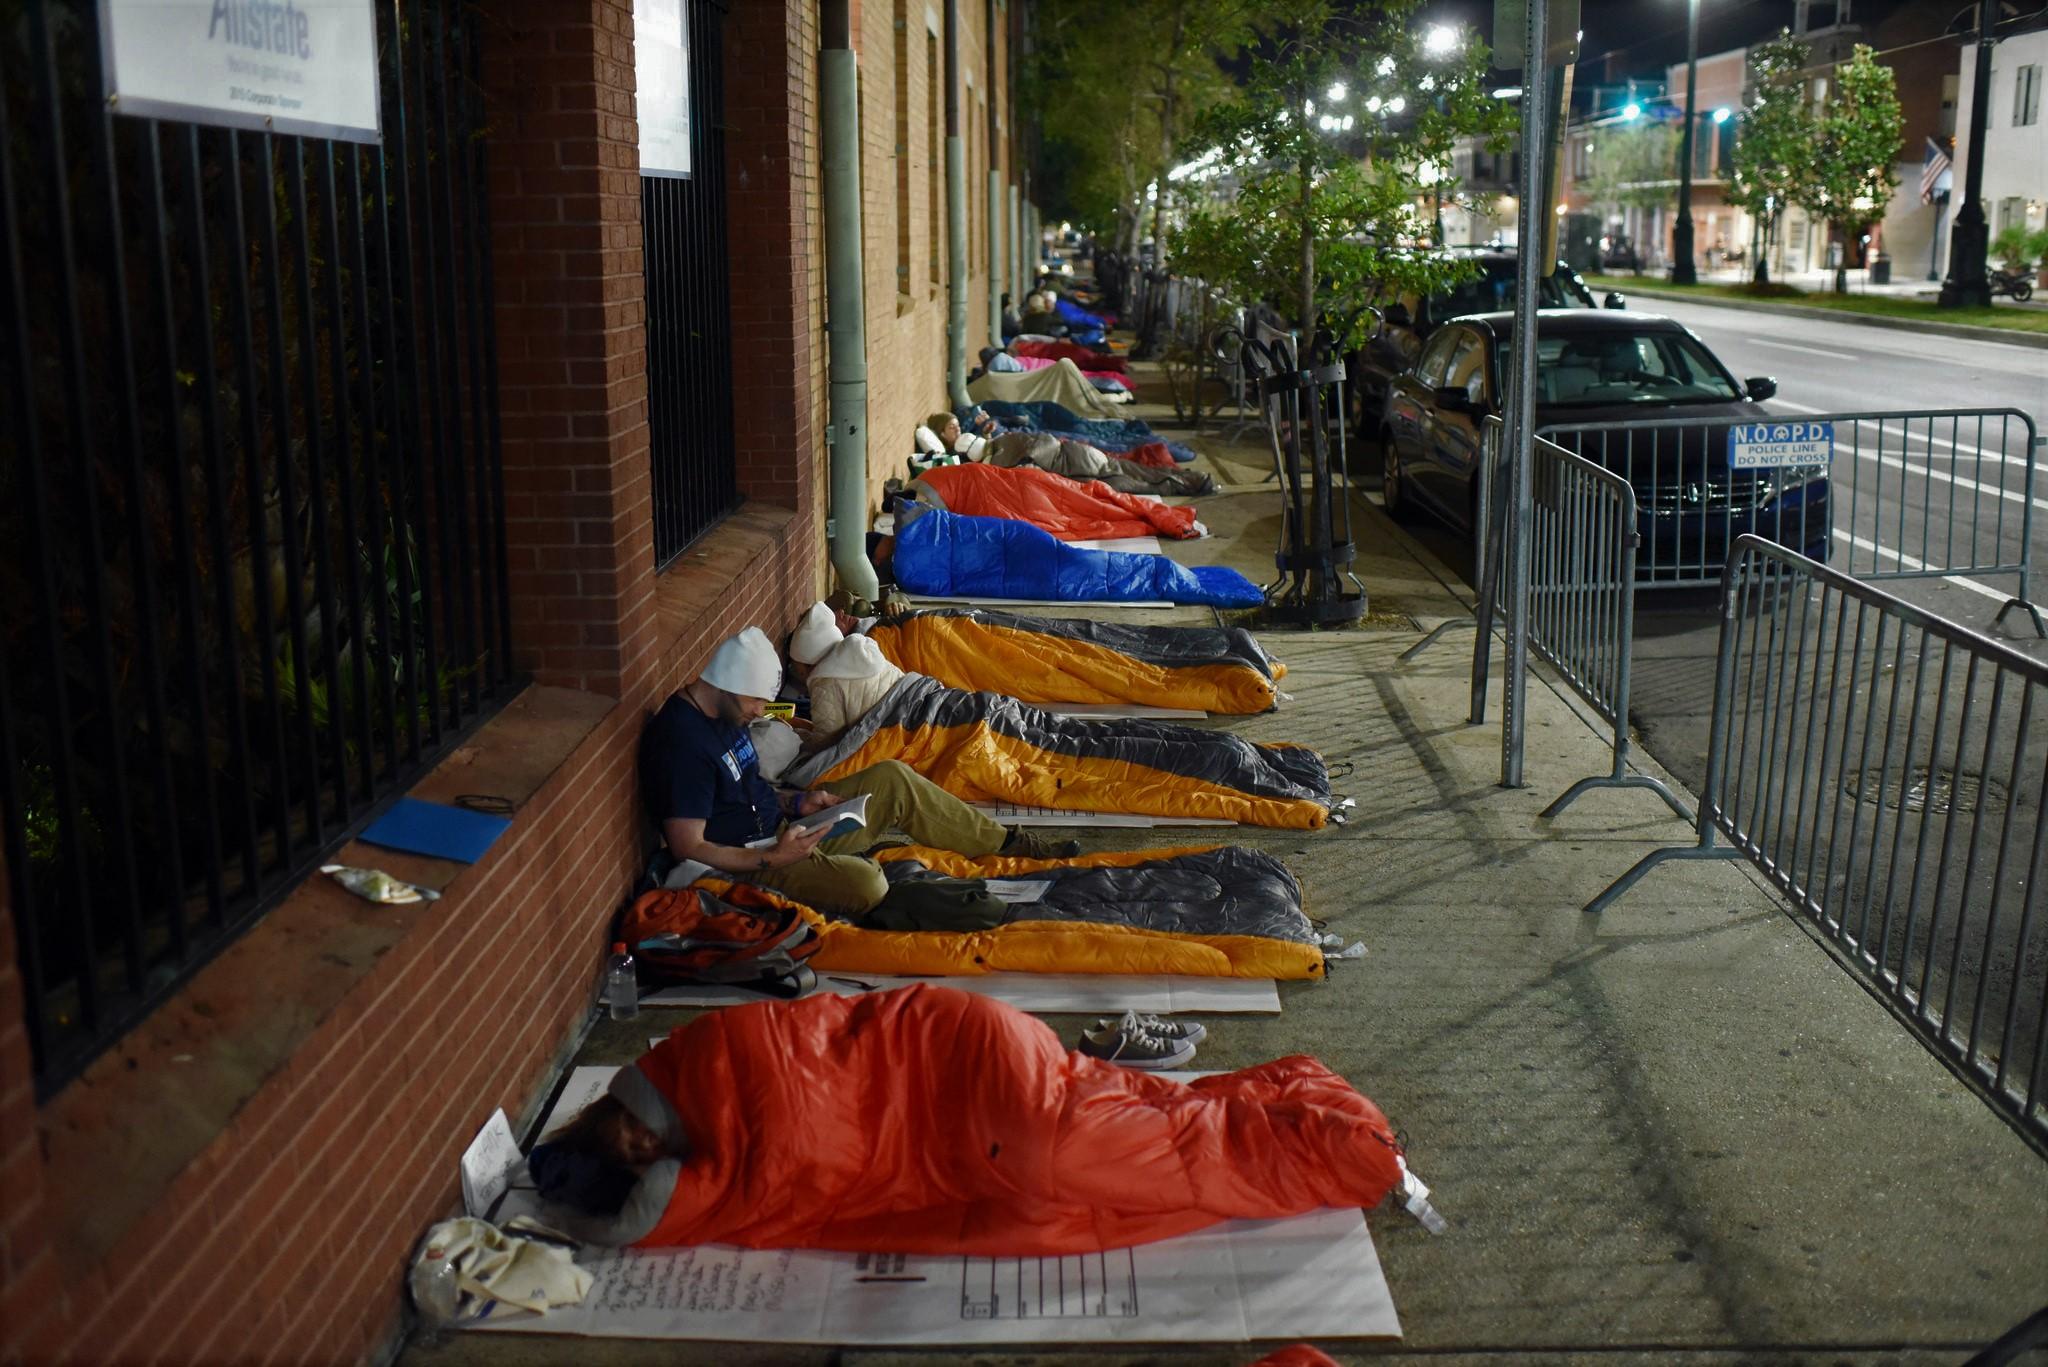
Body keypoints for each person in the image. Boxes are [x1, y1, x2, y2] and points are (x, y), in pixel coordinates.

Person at [529, 984, 1411, 1255]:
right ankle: (1316, 1115)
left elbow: (751, 1174)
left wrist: (625, 1217)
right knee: (1143, 1131)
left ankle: (1350, 1151)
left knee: (1129, 1156)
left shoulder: (711, 1056)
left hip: (993, 1100)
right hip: (975, 1070)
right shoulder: (704, 1078)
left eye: (628, 1126)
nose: (646, 1141)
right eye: (636, 1153)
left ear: (623, 1107)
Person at [639, 627, 1077, 917]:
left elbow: (749, 788)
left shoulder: (726, 715)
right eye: (756, 701)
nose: (762, 711)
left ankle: (1008, 844)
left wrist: (798, 802)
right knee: (868, 883)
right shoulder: (683, 741)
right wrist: (776, 857)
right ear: (730, 685)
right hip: (753, 861)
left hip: (784, 829)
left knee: (891, 777)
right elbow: (688, 847)